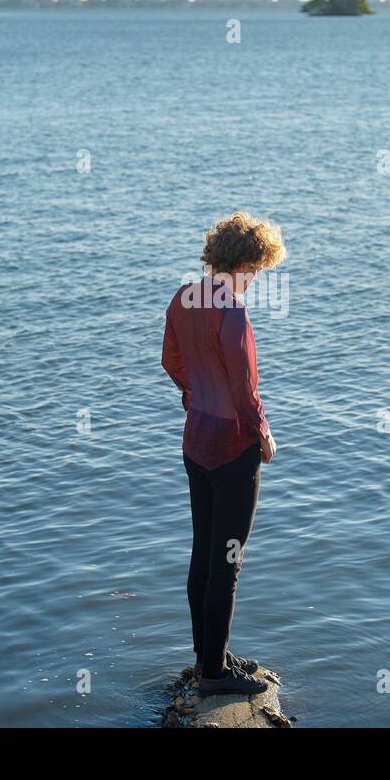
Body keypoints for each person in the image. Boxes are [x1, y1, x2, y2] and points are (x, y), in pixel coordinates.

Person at [161, 212, 286, 695]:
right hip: (233, 447)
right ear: (243, 262)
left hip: (196, 442)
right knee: (229, 561)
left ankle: (208, 656)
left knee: (203, 555)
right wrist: (262, 431)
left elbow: (170, 360)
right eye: (256, 270)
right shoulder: (231, 310)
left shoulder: (184, 297)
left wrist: (194, 399)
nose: (256, 281)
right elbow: (242, 383)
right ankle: (214, 675)